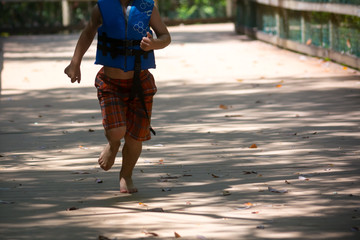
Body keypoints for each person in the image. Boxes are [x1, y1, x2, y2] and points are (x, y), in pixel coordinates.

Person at [64, 0, 171, 193]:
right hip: (111, 83)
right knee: (116, 132)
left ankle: (126, 175)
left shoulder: (148, 8)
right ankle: (113, 144)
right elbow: (88, 33)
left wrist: (154, 43)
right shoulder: (101, 8)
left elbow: (165, 36)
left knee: (135, 138)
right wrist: (75, 62)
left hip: (140, 83)